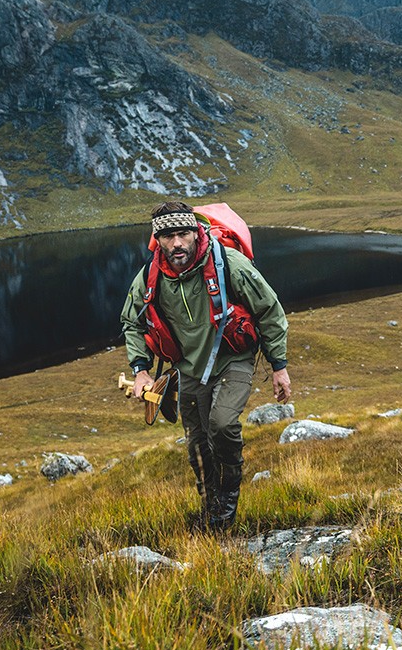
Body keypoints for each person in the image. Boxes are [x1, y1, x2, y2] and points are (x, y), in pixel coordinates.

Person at [120, 201, 291, 531]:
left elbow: (269, 309)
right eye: (168, 236)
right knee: (197, 444)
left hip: (232, 358)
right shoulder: (149, 277)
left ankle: (227, 499)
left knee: (223, 423)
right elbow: (131, 322)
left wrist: (279, 366)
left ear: (196, 232)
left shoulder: (228, 263)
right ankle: (210, 507)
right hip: (188, 368)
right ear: (158, 239)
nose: (177, 243)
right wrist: (141, 370)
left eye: (183, 233)